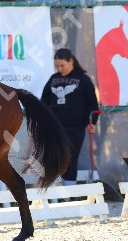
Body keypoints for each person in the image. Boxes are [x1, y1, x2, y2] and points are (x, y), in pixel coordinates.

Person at [40, 48, 100, 185]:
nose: (60, 68)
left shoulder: (83, 79)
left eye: (62, 65)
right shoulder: (53, 79)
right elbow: (44, 101)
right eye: (57, 66)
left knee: (71, 158)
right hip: (55, 127)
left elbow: (92, 105)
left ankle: (70, 191)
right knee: (54, 156)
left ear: (71, 61)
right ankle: (55, 189)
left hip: (75, 128)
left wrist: (91, 123)